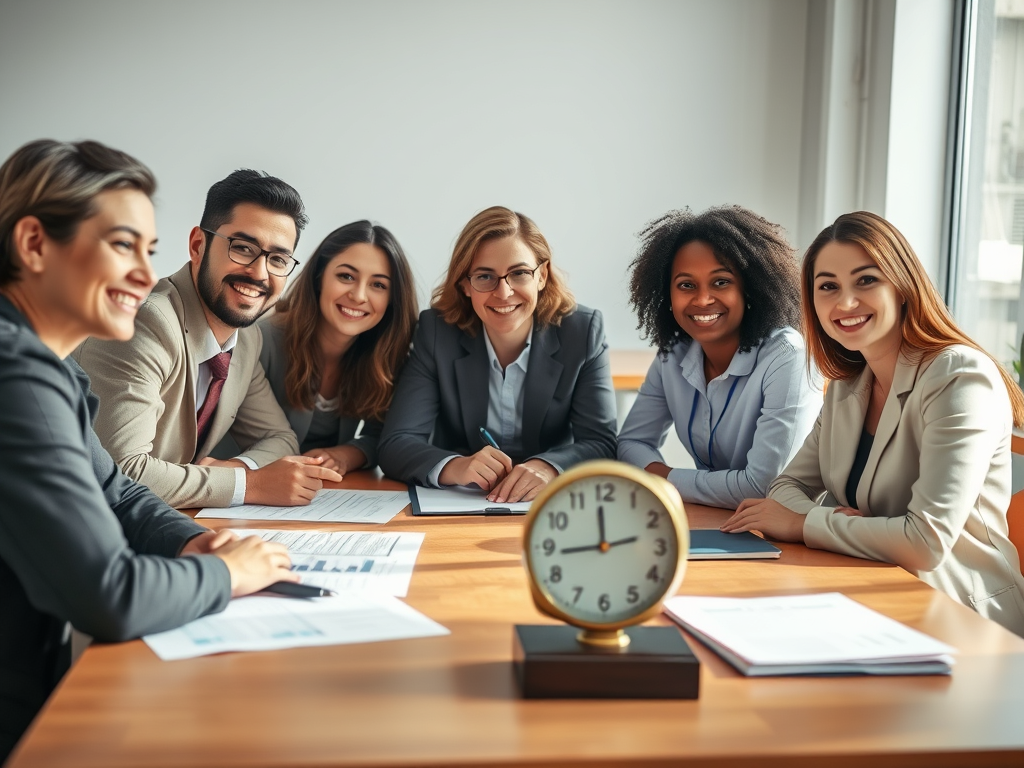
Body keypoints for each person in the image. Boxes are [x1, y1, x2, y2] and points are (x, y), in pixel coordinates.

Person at [0, 139, 297, 761]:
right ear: (33, 245)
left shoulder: (51, 370)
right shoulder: (14, 377)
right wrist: (226, 573)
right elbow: (110, 595)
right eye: (120, 245)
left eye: (147, 251)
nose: (144, 275)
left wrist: (191, 541)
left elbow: (116, 488)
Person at [722, 211, 1024, 636]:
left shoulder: (958, 376)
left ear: (902, 286)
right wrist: (829, 519)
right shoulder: (849, 385)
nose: (845, 303)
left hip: (962, 616)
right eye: (828, 287)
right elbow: (785, 489)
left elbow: (925, 543)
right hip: (872, 591)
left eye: (866, 280)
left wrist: (806, 523)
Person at [74, 169, 342, 509]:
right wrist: (251, 483)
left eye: (277, 259)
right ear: (198, 245)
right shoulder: (142, 323)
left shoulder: (244, 340)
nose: (259, 273)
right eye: (243, 248)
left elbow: (279, 437)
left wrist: (238, 468)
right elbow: (121, 472)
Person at [378, 206, 617, 502]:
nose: (503, 292)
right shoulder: (437, 332)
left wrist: (549, 467)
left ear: (542, 276)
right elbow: (395, 444)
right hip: (465, 501)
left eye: (519, 273)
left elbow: (601, 442)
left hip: (548, 505)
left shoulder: (581, 331)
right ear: (465, 285)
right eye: (484, 277)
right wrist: (457, 466)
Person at [617, 206, 821, 508]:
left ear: (750, 289)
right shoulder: (673, 354)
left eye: (721, 282)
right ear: (666, 296)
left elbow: (765, 487)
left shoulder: (788, 357)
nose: (702, 299)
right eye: (686, 285)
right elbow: (631, 443)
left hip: (794, 534)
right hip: (716, 519)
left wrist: (664, 479)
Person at [216, 221, 417, 473]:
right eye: (346, 276)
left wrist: (347, 454)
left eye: (378, 285)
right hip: (233, 485)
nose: (359, 296)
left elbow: (388, 435)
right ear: (320, 277)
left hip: (321, 497)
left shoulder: (384, 355)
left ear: (392, 299)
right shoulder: (258, 339)